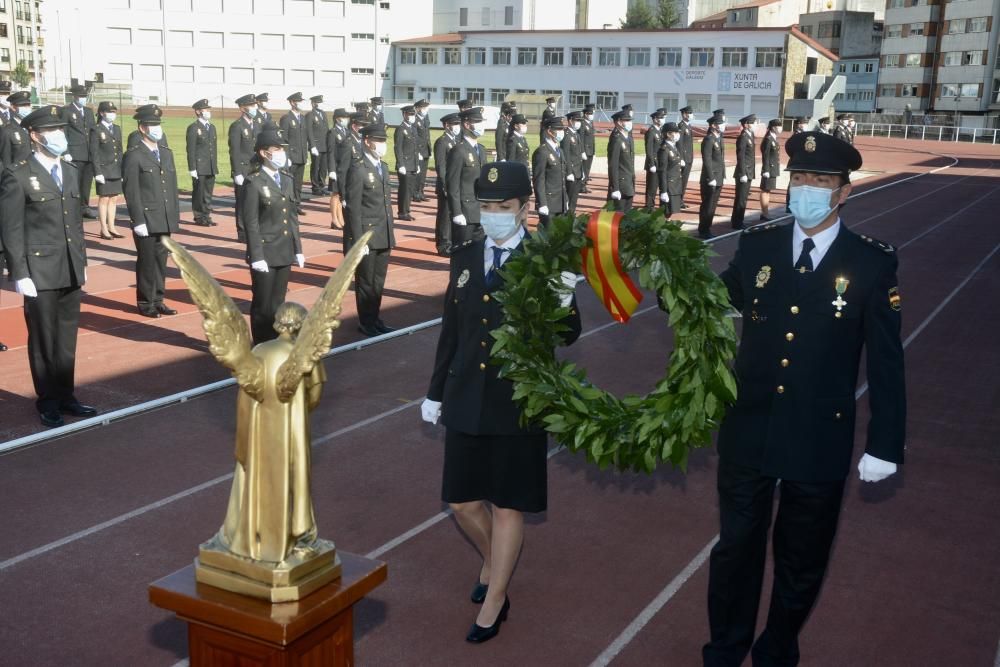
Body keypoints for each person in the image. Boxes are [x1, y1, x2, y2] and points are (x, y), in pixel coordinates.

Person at [704, 131, 905, 667]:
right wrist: (662, 273)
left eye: (821, 181)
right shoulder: (759, 247)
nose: (807, 189)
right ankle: (725, 646)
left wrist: (885, 444)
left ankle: (776, 649)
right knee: (735, 547)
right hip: (748, 426)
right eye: (800, 178)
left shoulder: (870, 263)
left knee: (802, 557)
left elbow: (887, 363)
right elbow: (709, 302)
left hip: (818, 435)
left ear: (843, 192)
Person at [421, 160, 582, 644]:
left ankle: (496, 597)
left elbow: (569, 334)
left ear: (523, 208)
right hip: (467, 394)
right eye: (485, 206)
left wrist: (560, 298)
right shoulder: (467, 256)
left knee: (509, 504)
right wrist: (434, 392)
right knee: (462, 502)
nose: (491, 214)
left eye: (502, 207)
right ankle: (494, 559)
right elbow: (452, 329)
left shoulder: (546, 260)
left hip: (520, 400)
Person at [0, 105, 97, 427]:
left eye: (61, 130)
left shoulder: (69, 172)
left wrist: (81, 263)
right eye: (51, 131)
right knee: (44, 339)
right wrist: (20, 272)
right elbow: (11, 228)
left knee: (67, 338)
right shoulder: (18, 174)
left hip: (69, 266)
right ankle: (48, 400)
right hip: (39, 270)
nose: (59, 136)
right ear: (34, 135)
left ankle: (67, 395)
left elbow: (76, 226)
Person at [240, 129, 304, 345]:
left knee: (278, 303)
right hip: (265, 252)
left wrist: (298, 248)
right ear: (264, 152)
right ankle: (260, 346)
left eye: (282, 149)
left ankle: (274, 343)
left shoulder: (286, 179)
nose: (281, 153)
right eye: (276, 149)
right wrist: (256, 255)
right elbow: (251, 222)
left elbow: (292, 217)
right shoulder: (254, 182)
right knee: (263, 305)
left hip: (284, 249)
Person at [122, 104, 181, 318]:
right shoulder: (134, 155)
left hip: (164, 216)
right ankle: (146, 302)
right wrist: (138, 220)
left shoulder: (166, 153)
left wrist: (173, 215)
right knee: (146, 261)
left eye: (158, 124)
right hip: (147, 217)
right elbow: (131, 190)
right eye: (152, 125)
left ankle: (159, 299)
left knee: (161, 260)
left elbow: (171, 187)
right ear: (142, 128)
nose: (157, 128)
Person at [344, 124, 396, 337]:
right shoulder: (358, 169)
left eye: (384, 141)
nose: (382, 145)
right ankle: (366, 322)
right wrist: (358, 242)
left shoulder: (382, 167)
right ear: (367, 141)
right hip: (366, 235)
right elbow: (354, 209)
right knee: (366, 282)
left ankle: (375, 318)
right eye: (378, 140)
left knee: (378, 281)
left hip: (383, 232)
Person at [447, 107, 488, 249]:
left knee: (478, 255)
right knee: (463, 257)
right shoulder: (458, 150)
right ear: (466, 124)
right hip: (465, 212)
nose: (481, 125)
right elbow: (452, 184)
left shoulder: (481, 150)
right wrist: (457, 212)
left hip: (481, 210)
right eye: (477, 122)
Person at [60, 84, 98, 220]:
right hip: (75, 154)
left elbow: (92, 132)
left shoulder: (88, 111)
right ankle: (73, 208)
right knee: (74, 183)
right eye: (81, 96)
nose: (83, 99)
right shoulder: (66, 111)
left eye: (84, 96)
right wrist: (66, 151)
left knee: (87, 183)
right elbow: (63, 132)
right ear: (74, 96)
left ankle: (84, 207)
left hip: (88, 153)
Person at [90, 101, 125, 239]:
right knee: (104, 199)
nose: (112, 114)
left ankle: (112, 227)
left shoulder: (116, 129)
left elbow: (120, 151)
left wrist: (122, 169)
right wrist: (97, 172)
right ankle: (103, 228)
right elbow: (94, 153)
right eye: (109, 111)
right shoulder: (96, 129)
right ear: (101, 113)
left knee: (114, 198)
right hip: (103, 171)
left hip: (115, 169)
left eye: (114, 111)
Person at [229, 93, 260, 239]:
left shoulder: (257, 125)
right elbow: (234, 151)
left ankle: (254, 229)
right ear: (242, 108)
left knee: (256, 201)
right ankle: (242, 231)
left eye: (255, 105)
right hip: (243, 170)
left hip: (256, 169)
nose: (255, 108)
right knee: (242, 202)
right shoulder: (237, 126)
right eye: (251, 106)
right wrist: (237, 172)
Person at [186, 98, 219, 227]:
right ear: (198, 111)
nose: (207, 111)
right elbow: (190, 149)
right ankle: (199, 216)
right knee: (199, 193)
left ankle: (206, 215)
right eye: (205, 109)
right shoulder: (194, 128)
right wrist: (192, 168)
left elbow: (213, 149)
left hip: (210, 166)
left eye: (208, 109)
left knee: (208, 193)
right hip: (199, 166)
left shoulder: (212, 127)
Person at [433, 113, 462, 255]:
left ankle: (451, 240)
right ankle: (443, 244)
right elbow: (441, 166)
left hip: (455, 184)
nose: (456, 127)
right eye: (453, 124)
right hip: (446, 184)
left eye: (458, 124)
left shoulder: (456, 140)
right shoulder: (442, 142)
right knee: (445, 215)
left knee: (452, 213)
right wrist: (445, 184)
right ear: (446, 125)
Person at [532, 116, 568, 227]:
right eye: (559, 129)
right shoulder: (542, 152)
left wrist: (565, 199)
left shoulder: (559, 151)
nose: (562, 132)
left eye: (562, 129)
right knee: (548, 238)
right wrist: (542, 203)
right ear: (549, 131)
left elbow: (561, 178)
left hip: (560, 203)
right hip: (549, 204)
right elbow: (539, 179)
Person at [280, 92, 310, 214]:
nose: (301, 103)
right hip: (292, 156)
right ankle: (288, 204)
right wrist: (287, 156)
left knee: (298, 183)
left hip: (301, 156)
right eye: (299, 101)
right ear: (292, 102)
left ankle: (297, 204)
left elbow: (305, 138)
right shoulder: (286, 118)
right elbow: (283, 139)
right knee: (289, 182)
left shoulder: (303, 118)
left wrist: (306, 155)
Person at [698, 114, 726, 239]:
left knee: (713, 205)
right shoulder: (709, 139)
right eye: (720, 123)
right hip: (710, 178)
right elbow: (707, 160)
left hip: (719, 176)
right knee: (707, 205)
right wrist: (711, 177)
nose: (722, 125)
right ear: (713, 125)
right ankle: (703, 230)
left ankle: (707, 227)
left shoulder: (719, 138)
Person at [326, 107, 351, 232]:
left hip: (344, 168)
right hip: (335, 167)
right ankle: (334, 219)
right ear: (337, 119)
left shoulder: (346, 131)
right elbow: (330, 152)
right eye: (344, 117)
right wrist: (331, 169)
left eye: (347, 117)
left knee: (341, 194)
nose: (346, 119)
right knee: (335, 194)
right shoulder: (333, 132)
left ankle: (340, 218)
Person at [731, 114, 757, 231]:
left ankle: (739, 220)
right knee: (740, 199)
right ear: (746, 124)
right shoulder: (743, 137)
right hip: (744, 172)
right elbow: (740, 156)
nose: (754, 124)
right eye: (752, 122)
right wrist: (742, 173)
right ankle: (737, 222)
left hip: (749, 171)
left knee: (744, 198)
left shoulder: (750, 135)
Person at [394, 105, 420, 221]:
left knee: (409, 190)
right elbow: (398, 148)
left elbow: (415, 148)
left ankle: (407, 210)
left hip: (413, 164)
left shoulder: (413, 129)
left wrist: (417, 164)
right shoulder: (400, 129)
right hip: (405, 164)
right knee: (404, 190)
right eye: (409, 114)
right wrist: (401, 164)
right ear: (404, 115)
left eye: (413, 114)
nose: (412, 117)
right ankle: (402, 212)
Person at [607, 109, 635, 212]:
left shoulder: (628, 138)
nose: (629, 123)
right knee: (618, 217)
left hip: (629, 183)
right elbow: (613, 165)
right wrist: (615, 188)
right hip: (621, 184)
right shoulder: (616, 140)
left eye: (630, 120)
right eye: (626, 120)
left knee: (627, 216)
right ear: (619, 122)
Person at [657, 121, 683, 216]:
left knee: (671, 212)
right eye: (675, 132)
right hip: (669, 185)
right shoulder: (664, 149)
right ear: (668, 134)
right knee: (666, 212)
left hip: (675, 184)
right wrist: (663, 191)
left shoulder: (673, 147)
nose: (677, 135)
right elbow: (662, 171)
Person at [0, 91, 33, 167]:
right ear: (13, 107)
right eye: (22, 105)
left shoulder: (33, 128)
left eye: (28, 105)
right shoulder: (6, 131)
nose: (26, 108)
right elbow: (6, 161)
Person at [561, 111, 584, 216]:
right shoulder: (566, 135)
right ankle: (566, 220)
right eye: (577, 120)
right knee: (569, 199)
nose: (579, 123)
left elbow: (578, 156)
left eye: (580, 121)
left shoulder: (576, 135)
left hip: (578, 172)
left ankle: (571, 217)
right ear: (570, 121)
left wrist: (582, 171)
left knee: (574, 199)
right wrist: (569, 172)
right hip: (571, 173)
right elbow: (566, 155)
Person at [759, 119, 782, 222]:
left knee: (768, 191)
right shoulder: (768, 139)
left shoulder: (773, 138)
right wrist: (766, 170)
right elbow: (766, 156)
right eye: (778, 126)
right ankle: (764, 213)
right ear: (773, 127)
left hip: (773, 168)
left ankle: (766, 212)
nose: (780, 129)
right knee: (765, 190)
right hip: (769, 169)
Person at [307, 94, 330, 195]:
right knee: (316, 166)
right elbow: (309, 131)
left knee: (323, 167)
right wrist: (312, 146)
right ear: (313, 103)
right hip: (316, 146)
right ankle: (315, 187)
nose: (320, 104)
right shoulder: (310, 115)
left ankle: (322, 185)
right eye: (318, 103)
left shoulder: (323, 114)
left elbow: (326, 129)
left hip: (324, 145)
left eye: (321, 102)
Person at [643, 108, 665, 210]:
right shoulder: (651, 131)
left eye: (663, 117)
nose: (662, 119)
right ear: (655, 119)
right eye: (660, 118)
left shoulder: (660, 131)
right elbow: (649, 149)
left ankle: (653, 204)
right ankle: (649, 205)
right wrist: (651, 164)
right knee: (652, 186)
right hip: (653, 163)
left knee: (658, 185)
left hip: (660, 162)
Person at [414, 98, 432, 201]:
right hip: (419, 151)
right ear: (418, 108)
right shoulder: (415, 120)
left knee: (424, 173)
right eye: (424, 108)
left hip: (426, 150)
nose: (426, 109)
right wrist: (417, 152)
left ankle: (421, 192)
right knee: (418, 173)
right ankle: (415, 193)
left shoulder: (425, 119)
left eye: (426, 107)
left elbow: (427, 135)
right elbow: (415, 137)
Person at [677, 106, 695, 209]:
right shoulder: (681, 126)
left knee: (685, 181)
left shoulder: (688, 126)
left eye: (691, 112)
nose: (691, 115)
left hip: (688, 158)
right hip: (684, 158)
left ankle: (680, 200)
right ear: (684, 114)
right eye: (689, 113)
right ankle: (678, 201)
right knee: (681, 181)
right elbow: (679, 144)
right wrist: (681, 158)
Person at [580, 104, 596, 193]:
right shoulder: (583, 123)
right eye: (590, 113)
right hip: (585, 150)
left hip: (590, 150)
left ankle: (584, 184)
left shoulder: (590, 123)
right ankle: (582, 186)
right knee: (584, 169)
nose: (591, 115)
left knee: (587, 169)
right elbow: (581, 138)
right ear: (585, 114)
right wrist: (582, 151)